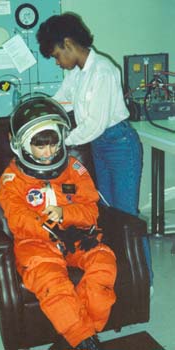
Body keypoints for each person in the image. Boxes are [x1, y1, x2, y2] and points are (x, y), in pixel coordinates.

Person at [36, 12, 153, 287]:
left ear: (68, 43)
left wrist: (58, 144)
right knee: (105, 215)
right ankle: (118, 278)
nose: (57, 62)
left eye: (56, 55)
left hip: (120, 145)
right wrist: (34, 117)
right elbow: (59, 102)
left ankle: (142, 282)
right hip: (100, 146)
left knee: (127, 217)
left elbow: (94, 125)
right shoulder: (77, 74)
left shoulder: (103, 71)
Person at [0, 96, 117, 350]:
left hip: (76, 236)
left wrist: (65, 214)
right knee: (51, 280)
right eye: (40, 146)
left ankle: (81, 334)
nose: (49, 152)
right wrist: (48, 227)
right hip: (36, 243)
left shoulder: (74, 168)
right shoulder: (12, 179)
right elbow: (17, 218)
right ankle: (83, 339)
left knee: (104, 263)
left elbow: (91, 211)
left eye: (53, 144)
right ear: (21, 145)